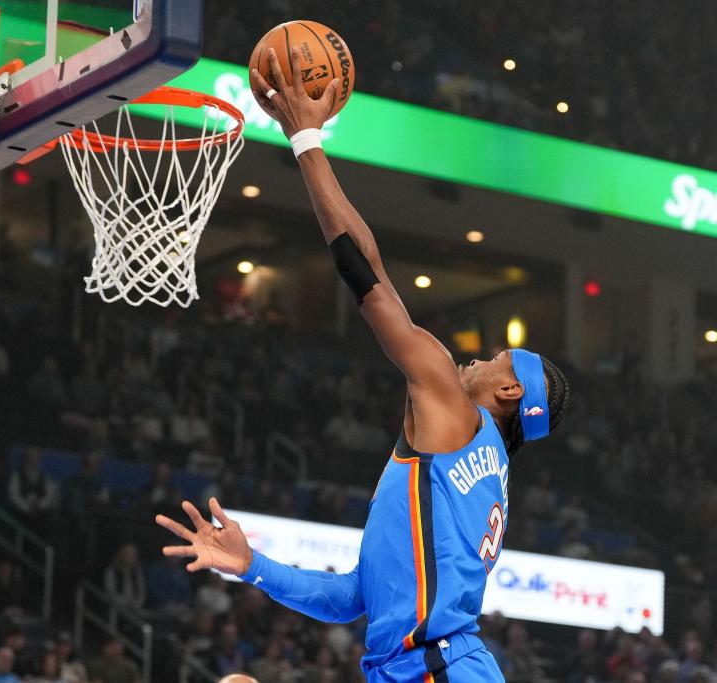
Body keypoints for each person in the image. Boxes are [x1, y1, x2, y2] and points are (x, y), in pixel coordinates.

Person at [158, 47, 570, 683]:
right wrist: (252, 566)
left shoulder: (455, 414)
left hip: (437, 668)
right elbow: (355, 596)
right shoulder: (476, 469)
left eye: (495, 358)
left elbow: (368, 277)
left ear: (511, 390)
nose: (476, 357)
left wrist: (305, 140)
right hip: (419, 667)